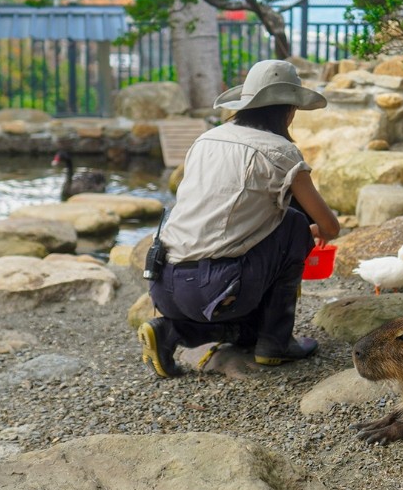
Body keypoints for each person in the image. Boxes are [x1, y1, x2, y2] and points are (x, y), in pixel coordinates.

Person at [139, 59, 340, 378]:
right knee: (293, 225)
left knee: (247, 325)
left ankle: (172, 332)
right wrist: (307, 232)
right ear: (289, 110)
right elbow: (330, 227)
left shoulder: (207, 139)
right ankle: (276, 342)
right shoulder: (281, 151)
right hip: (216, 290)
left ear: (244, 104)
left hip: (164, 283)